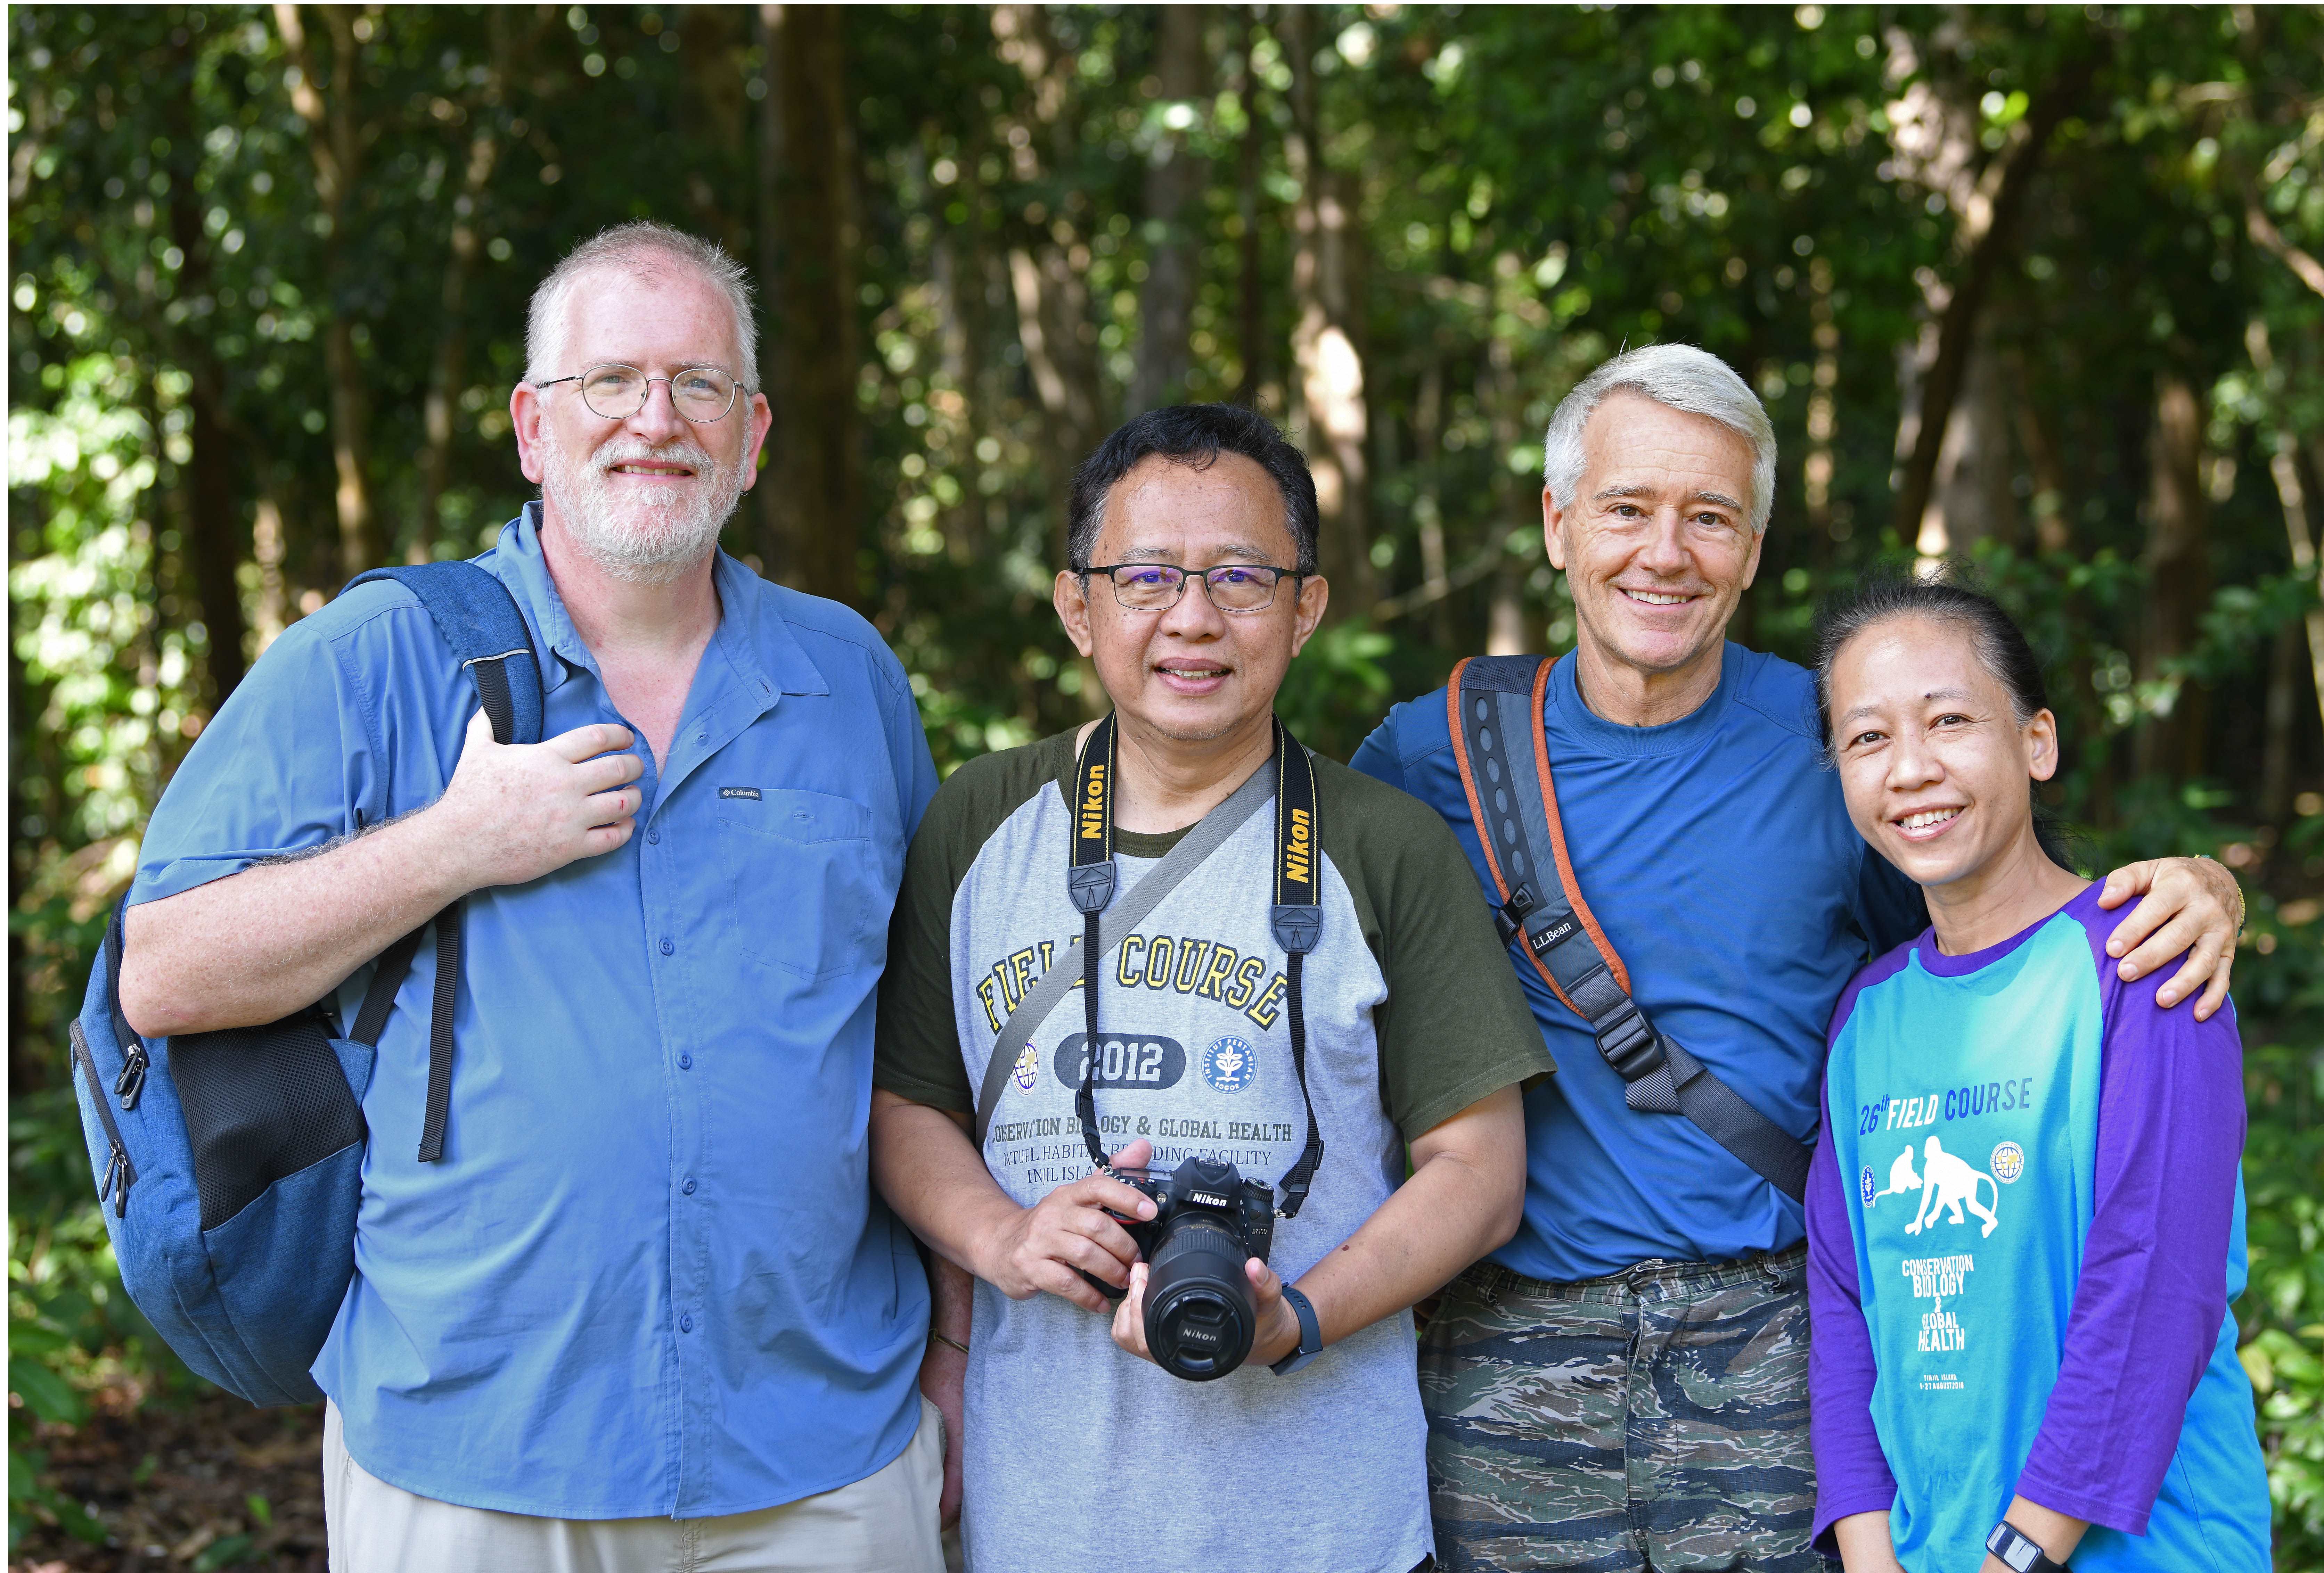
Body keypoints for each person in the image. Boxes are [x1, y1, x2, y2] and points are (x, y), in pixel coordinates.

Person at [115, 222, 947, 1571]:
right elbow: (166, 971)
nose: (655, 419)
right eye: (609, 379)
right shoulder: (376, 656)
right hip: (475, 1457)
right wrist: (454, 844)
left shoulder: (847, 675)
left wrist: (955, 1349)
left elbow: (924, 1045)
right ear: (531, 428)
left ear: (752, 435)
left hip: (825, 1450)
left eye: (699, 384)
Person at [1346, 344, 2245, 1571]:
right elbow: (1297, 964)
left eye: (1710, 517)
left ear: (1754, 549)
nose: (1666, 553)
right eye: (1627, 509)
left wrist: (2204, 889)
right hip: (1514, 1364)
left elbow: (1987, 926)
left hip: (1772, 1353)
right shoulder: (1435, 752)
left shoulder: (1836, 739)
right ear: (1558, 525)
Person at [869, 404, 1555, 1572]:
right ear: (1077, 606)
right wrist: (1006, 1235)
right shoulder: (978, 822)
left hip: (1329, 1527)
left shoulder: (1383, 845)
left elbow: (1481, 1173)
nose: (1193, 618)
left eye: (1242, 577)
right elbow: (905, 1105)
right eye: (1146, 577)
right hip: (1048, 1520)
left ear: (1306, 607)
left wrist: (1302, 1316)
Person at [1806, 575, 2270, 1573]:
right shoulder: (1868, 1017)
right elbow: (1846, 1312)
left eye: (1950, 720)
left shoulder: (2142, 959)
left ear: (2037, 742)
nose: (1912, 769)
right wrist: (1872, 1558)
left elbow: (2155, 1285)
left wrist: (2017, 1557)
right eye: (1869, 738)